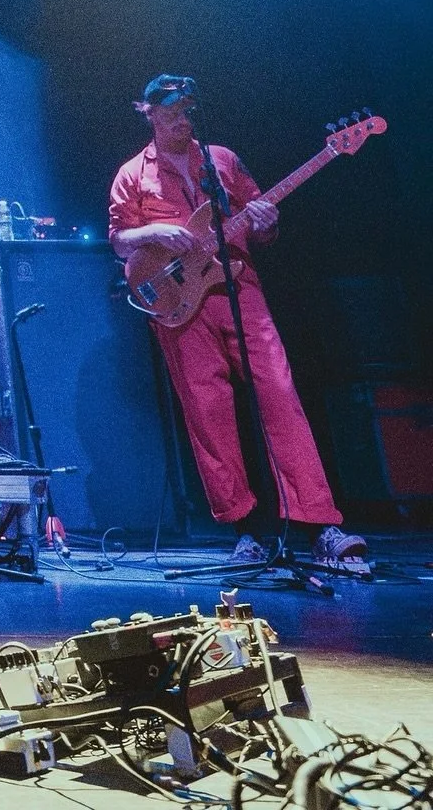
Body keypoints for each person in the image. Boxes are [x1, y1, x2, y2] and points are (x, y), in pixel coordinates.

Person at [108, 74, 365, 568]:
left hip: (239, 287)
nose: (183, 119)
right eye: (172, 112)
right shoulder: (132, 174)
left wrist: (267, 224)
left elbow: (259, 217)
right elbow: (119, 240)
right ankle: (246, 531)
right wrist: (156, 229)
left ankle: (318, 525)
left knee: (280, 395)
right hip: (180, 304)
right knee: (209, 412)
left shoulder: (220, 160)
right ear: (150, 113)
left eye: (187, 110)